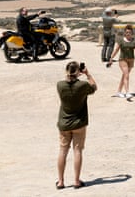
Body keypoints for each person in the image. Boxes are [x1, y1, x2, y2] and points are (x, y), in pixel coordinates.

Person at [56, 61, 97, 189]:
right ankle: (76, 181)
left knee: (63, 151)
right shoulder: (82, 85)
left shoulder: (60, 85)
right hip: (79, 123)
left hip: (64, 123)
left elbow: (68, 82)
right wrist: (87, 74)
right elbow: (94, 87)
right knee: (77, 151)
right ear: (78, 71)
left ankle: (61, 181)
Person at [108, 25, 135, 99]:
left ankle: (118, 92)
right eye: (127, 32)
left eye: (130, 32)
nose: (128, 33)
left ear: (132, 33)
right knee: (126, 75)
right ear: (124, 33)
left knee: (125, 76)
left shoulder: (134, 40)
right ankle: (127, 93)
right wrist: (111, 58)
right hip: (122, 59)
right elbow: (116, 50)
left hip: (131, 60)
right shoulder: (121, 40)